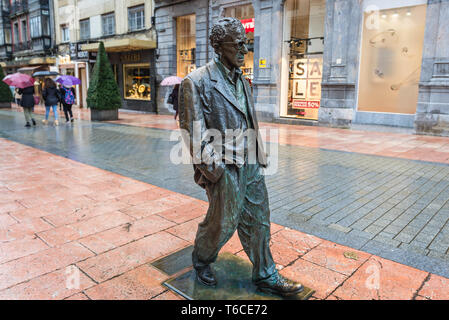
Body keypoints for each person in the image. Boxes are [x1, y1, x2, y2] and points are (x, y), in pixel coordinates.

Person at [178, 17, 303, 297]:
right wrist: (216, 171)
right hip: (223, 166)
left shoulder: (243, 81)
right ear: (219, 46)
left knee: (259, 219)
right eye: (238, 44)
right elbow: (192, 131)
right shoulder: (196, 82)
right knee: (223, 221)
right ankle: (202, 259)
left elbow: (250, 120)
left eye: (245, 43)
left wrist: (259, 154)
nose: (244, 50)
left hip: (250, 163)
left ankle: (265, 274)